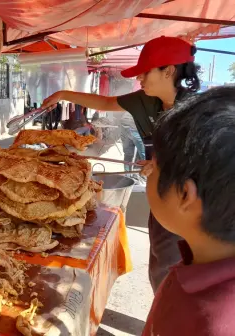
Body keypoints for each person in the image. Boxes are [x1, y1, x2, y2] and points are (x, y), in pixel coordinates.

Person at [41, 36, 201, 292]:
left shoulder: (199, 113)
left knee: (178, 276)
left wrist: (165, 167)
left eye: (145, 73)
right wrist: (63, 94)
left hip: (190, 211)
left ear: (169, 70)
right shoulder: (147, 100)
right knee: (159, 267)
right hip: (160, 204)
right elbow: (106, 103)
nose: (139, 79)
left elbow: (206, 168)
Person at [142, 86, 235, 335]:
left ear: (184, 194)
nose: (148, 172)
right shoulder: (197, 262)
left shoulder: (215, 324)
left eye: (153, 167)